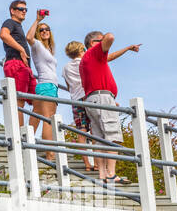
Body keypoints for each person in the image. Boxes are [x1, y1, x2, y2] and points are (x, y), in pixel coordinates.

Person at [78, 30, 141, 185]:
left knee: (99, 140)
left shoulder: (91, 59)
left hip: (92, 99)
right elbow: (111, 37)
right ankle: (111, 174)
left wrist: (126, 48)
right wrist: (105, 37)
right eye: (99, 41)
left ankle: (102, 174)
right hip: (102, 98)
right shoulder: (93, 53)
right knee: (112, 136)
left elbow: (110, 57)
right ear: (93, 44)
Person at [27, 14, 59, 160]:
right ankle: (49, 154)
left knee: (36, 117)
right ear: (38, 33)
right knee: (49, 119)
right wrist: (37, 21)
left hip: (44, 86)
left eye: (47, 29)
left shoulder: (48, 50)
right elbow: (29, 38)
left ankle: (26, 144)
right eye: (41, 30)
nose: (45, 31)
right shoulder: (38, 45)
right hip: (47, 86)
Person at [63, 40, 93, 173]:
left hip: (75, 99)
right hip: (89, 96)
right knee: (95, 130)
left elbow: (69, 85)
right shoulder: (86, 62)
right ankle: (97, 163)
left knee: (82, 131)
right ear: (81, 50)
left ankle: (87, 163)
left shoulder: (65, 68)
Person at [0, 1, 34, 106]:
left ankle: (29, 123)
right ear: (12, 11)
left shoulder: (18, 26)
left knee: (37, 101)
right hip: (16, 64)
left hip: (25, 67)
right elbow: (3, 35)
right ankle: (19, 123)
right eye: (21, 9)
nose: (24, 11)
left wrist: (38, 20)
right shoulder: (9, 22)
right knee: (19, 101)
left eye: (26, 10)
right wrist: (21, 50)